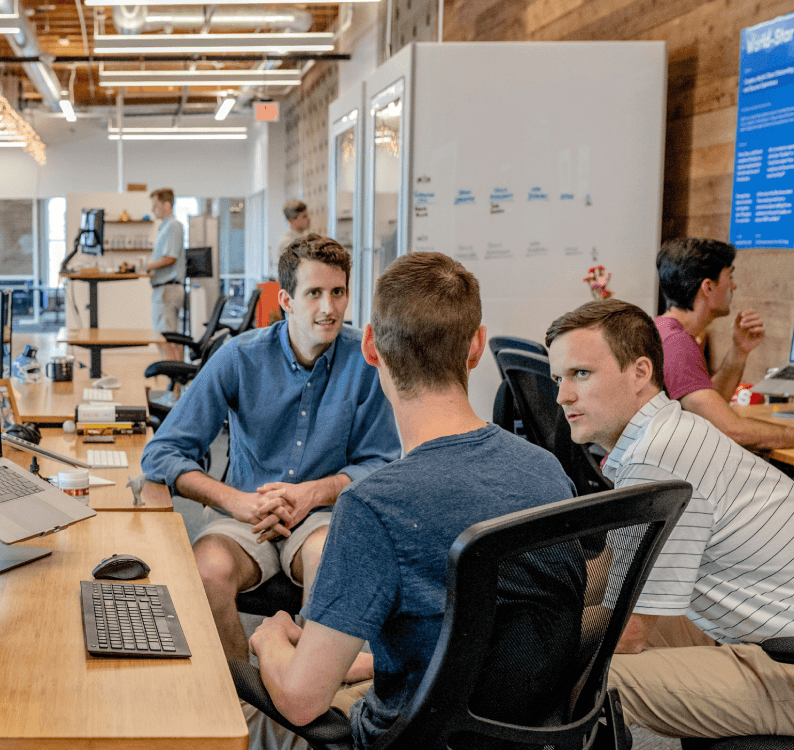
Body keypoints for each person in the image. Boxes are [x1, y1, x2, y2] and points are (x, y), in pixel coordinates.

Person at [245, 252, 583, 750]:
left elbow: (301, 700)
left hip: (407, 738)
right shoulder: (546, 471)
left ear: (370, 347)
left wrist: (268, 638)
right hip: (525, 735)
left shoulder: (374, 506)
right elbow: (481, 633)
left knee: (237, 721)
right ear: (476, 346)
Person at [141, 234, 401, 663]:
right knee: (207, 572)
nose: (329, 308)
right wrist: (235, 502)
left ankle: (305, 693)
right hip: (246, 513)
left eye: (338, 293)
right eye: (314, 293)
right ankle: (242, 694)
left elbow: (383, 463)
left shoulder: (367, 361)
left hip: (322, 515)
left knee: (329, 562)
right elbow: (162, 452)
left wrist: (312, 494)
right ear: (286, 299)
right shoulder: (239, 358)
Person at [546, 298, 794, 739]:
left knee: (591, 676)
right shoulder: (664, 435)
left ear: (640, 372)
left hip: (782, 666)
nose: (563, 396)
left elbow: (630, 633)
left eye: (581, 374)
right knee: (562, 633)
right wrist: (511, 611)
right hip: (757, 636)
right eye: (558, 378)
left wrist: (488, 645)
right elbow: (615, 572)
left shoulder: (659, 458)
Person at [656, 237, 794, 449]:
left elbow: (709, 411)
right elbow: (730, 429)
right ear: (708, 287)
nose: (734, 285)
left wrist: (739, 351)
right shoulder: (676, 344)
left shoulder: (665, 330)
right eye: (729, 276)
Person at [148, 187, 185, 359]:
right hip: (162, 290)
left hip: (168, 290)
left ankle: (175, 384)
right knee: (164, 338)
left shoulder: (173, 226)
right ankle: (174, 382)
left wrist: (148, 266)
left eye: (155, 205)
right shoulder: (164, 228)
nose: (152, 210)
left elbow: (170, 258)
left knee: (168, 339)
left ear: (167, 204)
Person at [272, 200, 310, 278]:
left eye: (308, 215)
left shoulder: (309, 238)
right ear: (292, 220)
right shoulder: (287, 243)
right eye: (304, 216)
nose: (309, 218)